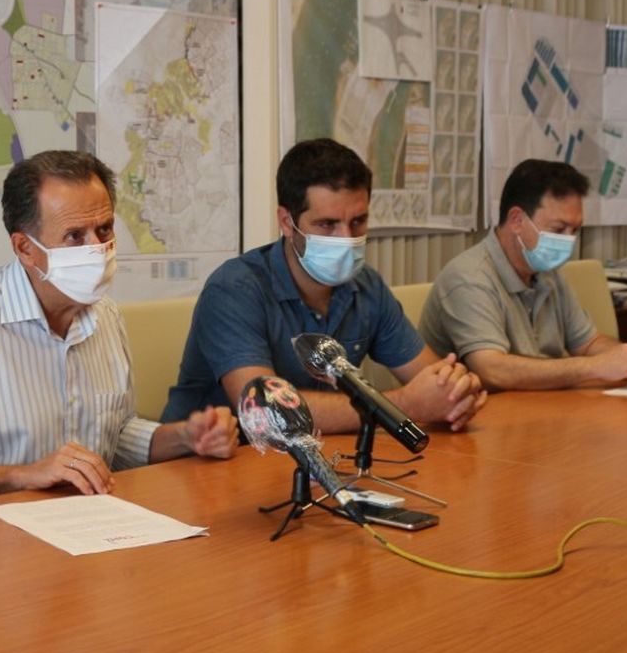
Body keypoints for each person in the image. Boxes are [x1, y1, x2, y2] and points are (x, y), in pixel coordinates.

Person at [0, 150, 238, 512]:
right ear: (25, 248)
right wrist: (25, 475)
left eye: (105, 229)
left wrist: (182, 437)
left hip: (88, 527)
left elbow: (112, 436)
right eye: (74, 236)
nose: (97, 249)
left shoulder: (106, 315)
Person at [162, 138, 487, 433]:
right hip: (209, 468)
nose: (347, 239)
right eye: (327, 224)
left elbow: (435, 380)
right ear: (287, 222)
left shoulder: (366, 286)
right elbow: (263, 412)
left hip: (318, 458)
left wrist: (455, 394)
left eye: (358, 221)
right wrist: (406, 404)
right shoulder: (233, 289)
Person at [418, 159, 627, 390]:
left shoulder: (547, 272)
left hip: (542, 410)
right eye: (558, 229)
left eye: (575, 230)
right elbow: (493, 371)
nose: (568, 241)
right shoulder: (468, 278)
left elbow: (588, 343)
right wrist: (594, 366)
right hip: (484, 423)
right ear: (517, 220)